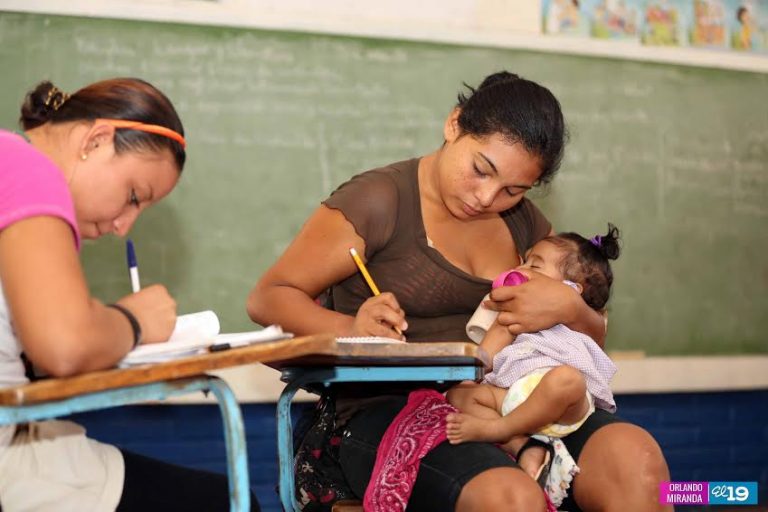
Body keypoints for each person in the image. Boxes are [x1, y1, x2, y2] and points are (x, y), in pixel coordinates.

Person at [248, 71, 670, 512]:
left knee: (636, 462)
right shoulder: (378, 200)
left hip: (511, 401)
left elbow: (589, 342)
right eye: (481, 170)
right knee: (509, 498)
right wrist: (351, 326)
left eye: (513, 189)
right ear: (454, 125)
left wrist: (571, 307)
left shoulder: (524, 224)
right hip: (385, 409)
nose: (488, 197)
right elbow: (268, 297)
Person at [0, 79, 259, 511]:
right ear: (97, 140)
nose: (124, 226)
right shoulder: (29, 170)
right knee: (233, 501)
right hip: (11, 459)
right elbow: (64, 346)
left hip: (20, 434)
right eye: (133, 196)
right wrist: (135, 322)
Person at [445, 225, 621, 505]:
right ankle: (525, 446)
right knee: (458, 394)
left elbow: (594, 336)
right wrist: (470, 378)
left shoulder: (573, 322)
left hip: (561, 406)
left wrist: (569, 307)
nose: (522, 269)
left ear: (570, 291)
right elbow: (485, 356)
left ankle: (499, 431)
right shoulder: (511, 316)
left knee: (567, 379)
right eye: (524, 261)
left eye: (534, 265)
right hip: (513, 397)